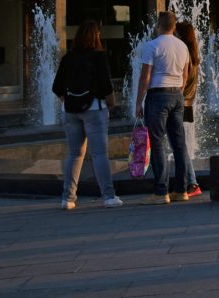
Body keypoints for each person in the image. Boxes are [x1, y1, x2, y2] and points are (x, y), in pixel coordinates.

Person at [52, 20, 122, 210]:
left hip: (70, 112)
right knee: (99, 154)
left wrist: (68, 101)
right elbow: (106, 85)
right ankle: (108, 196)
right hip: (94, 109)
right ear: (95, 36)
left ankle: (67, 198)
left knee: (74, 154)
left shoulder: (68, 57)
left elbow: (56, 87)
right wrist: (111, 103)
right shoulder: (98, 56)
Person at [136, 11, 191, 205]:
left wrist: (138, 102)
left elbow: (145, 77)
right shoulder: (183, 46)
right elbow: (185, 76)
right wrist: (178, 92)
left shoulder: (151, 45)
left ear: (158, 25)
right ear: (174, 26)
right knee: (179, 143)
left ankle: (161, 192)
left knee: (158, 142)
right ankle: (181, 190)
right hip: (177, 94)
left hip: (158, 95)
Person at [174, 21, 202, 198]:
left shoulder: (184, 54)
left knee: (179, 144)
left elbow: (181, 81)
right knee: (179, 143)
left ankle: (192, 182)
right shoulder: (192, 53)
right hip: (186, 102)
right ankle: (191, 181)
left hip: (180, 101)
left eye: (176, 33)